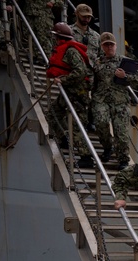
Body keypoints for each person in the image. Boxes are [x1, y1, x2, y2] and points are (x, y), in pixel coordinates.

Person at [46, 21, 92, 168]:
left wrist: (63, 79)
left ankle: (86, 157)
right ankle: (63, 139)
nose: (55, 40)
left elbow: (81, 71)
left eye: (56, 37)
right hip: (68, 92)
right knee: (53, 113)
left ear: (61, 38)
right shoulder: (64, 49)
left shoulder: (71, 51)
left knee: (77, 125)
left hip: (77, 93)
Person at [91, 31, 138, 167]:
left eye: (111, 45)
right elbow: (92, 81)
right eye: (106, 45)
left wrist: (125, 76)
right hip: (101, 100)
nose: (109, 48)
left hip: (120, 102)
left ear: (116, 46)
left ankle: (123, 160)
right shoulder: (97, 63)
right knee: (100, 123)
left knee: (121, 132)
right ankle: (107, 147)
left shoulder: (124, 62)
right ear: (102, 46)